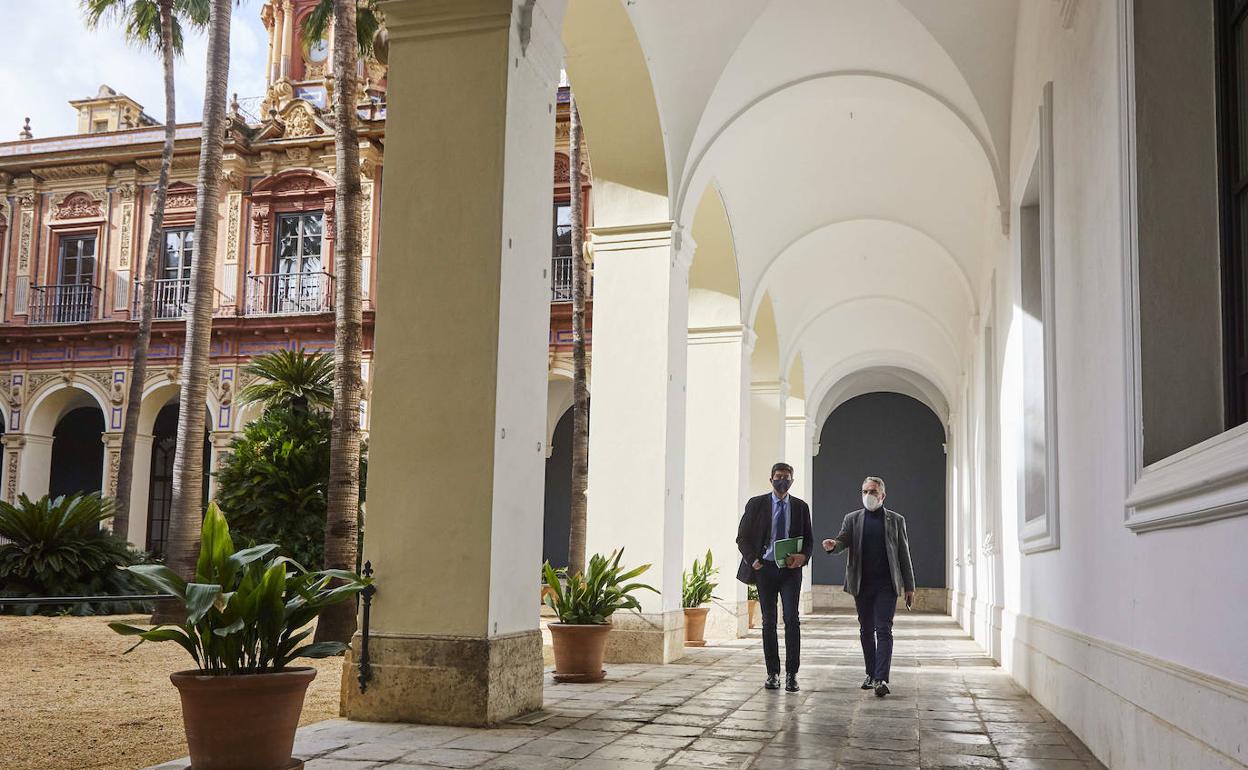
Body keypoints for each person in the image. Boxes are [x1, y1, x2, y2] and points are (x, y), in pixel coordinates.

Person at [822, 475, 915, 697]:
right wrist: (832, 546)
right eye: (864, 491)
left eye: (873, 492)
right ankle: (871, 673)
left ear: (882, 495)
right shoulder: (852, 519)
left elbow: (904, 554)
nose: (868, 496)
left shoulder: (896, 520)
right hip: (862, 584)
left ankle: (881, 678)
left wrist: (909, 586)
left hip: (886, 585)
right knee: (866, 629)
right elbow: (843, 540)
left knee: (884, 629)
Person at [735, 462, 813, 692]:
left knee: (792, 619)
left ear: (792, 480)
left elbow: (809, 540)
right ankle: (772, 673)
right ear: (771, 480)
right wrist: (754, 560)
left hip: (790, 571)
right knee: (768, 621)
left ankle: (792, 674)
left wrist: (802, 557)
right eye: (778, 477)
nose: (782, 481)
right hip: (765, 569)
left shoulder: (800, 507)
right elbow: (742, 538)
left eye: (786, 477)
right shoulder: (757, 504)